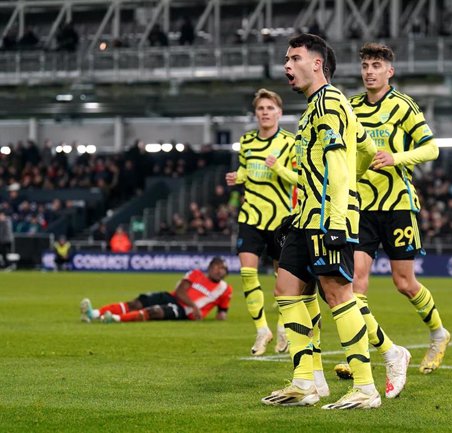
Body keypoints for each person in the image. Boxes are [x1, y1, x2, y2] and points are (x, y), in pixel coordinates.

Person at [261, 33, 378, 409]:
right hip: (305, 215)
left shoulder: (330, 102)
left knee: (338, 295)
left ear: (317, 63)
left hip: (327, 218)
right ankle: (305, 382)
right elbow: (365, 148)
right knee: (286, 289)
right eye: (286, 59)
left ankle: (365, 387)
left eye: (294, 58)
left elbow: (341, 166)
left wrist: (339, 217)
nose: (287, 66)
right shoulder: (314, 107)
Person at [333, 43, 449, 392]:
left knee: (404, 283)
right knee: (355, 284)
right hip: (362, 208)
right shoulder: (350, 108)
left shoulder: (403, 106)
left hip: (397, 204)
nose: (370, 71)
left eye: (377, 65)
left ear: (389, 72)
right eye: (366, 65)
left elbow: (432, 148)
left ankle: (439, 333)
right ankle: (361, 354)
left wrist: (397, 158)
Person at [225, 88, 299, 356]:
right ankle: (261, 330)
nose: (265, 113)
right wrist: (238, 177)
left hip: (281, 219)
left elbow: (299, 178)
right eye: (261, 109)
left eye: (270, 108)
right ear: (255, 114)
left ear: (279, 112)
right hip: (251, 215)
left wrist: (278, 167)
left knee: (284, 281)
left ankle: (282, 327)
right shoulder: (246, 141)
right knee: (246, 272)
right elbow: (247, 169)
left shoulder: (290, 142)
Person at [80, 257, 231, 323]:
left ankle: (113, 319)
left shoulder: (225, 289)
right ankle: (93, 313)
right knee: (136, 303)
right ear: (210, 268)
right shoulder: (196, 274)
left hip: (185, 311)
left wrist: (216, 318)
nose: (219, 271)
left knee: (155, 312)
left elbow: (222, 313)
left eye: (223, 268)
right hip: (172, 297)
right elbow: (180, 291)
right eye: (217, 267)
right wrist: (195, 306)